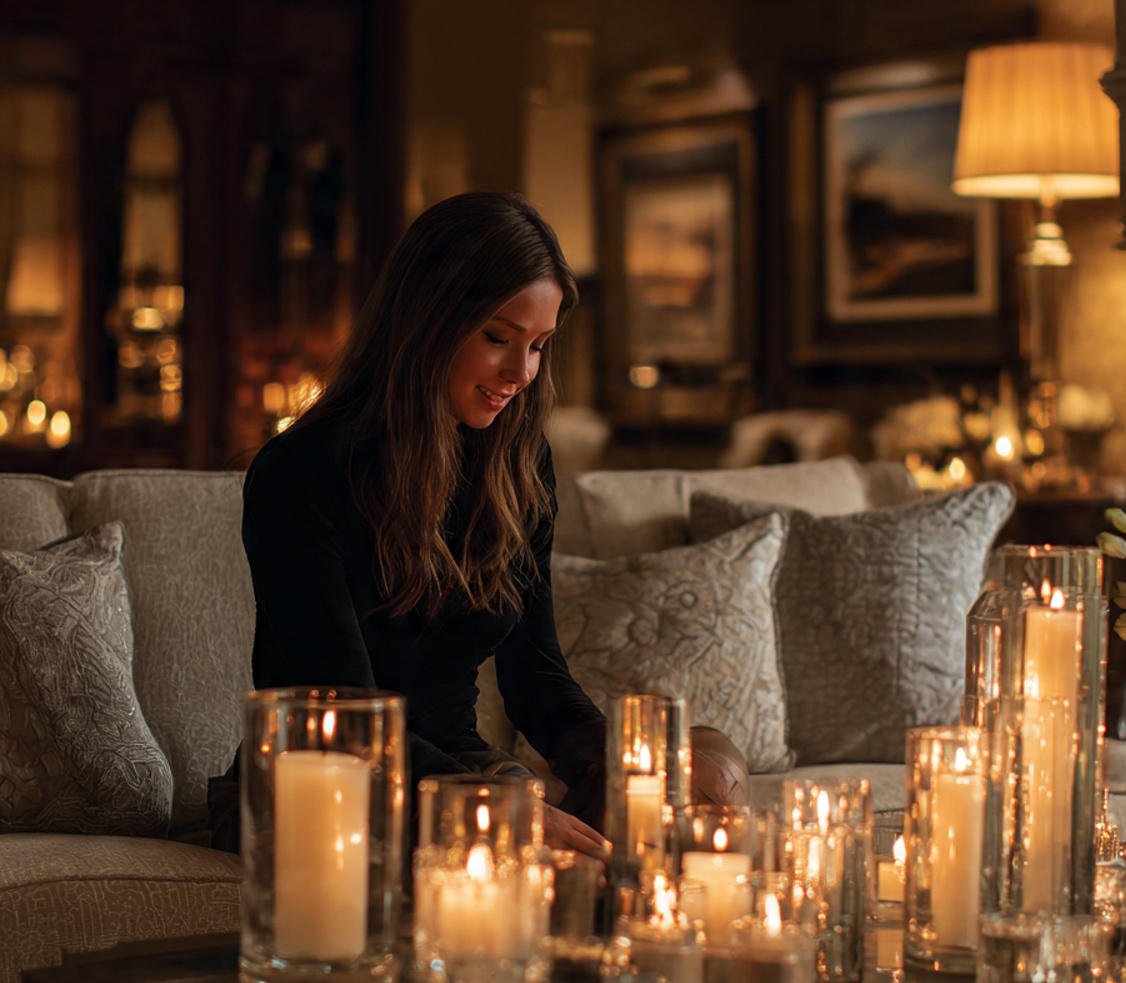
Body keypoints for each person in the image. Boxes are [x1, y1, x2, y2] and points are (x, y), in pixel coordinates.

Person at [236, 192, 745, 860]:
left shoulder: (518, 463)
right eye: (498, 338)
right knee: (554, 867)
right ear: (427, 322)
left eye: (538, 346)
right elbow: (340, 718)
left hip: (469, 768)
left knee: (688, 797)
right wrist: (494, 805)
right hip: (324, 779)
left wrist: (633, 770)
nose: (520, 373)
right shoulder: (300, 471)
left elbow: (537, 678)